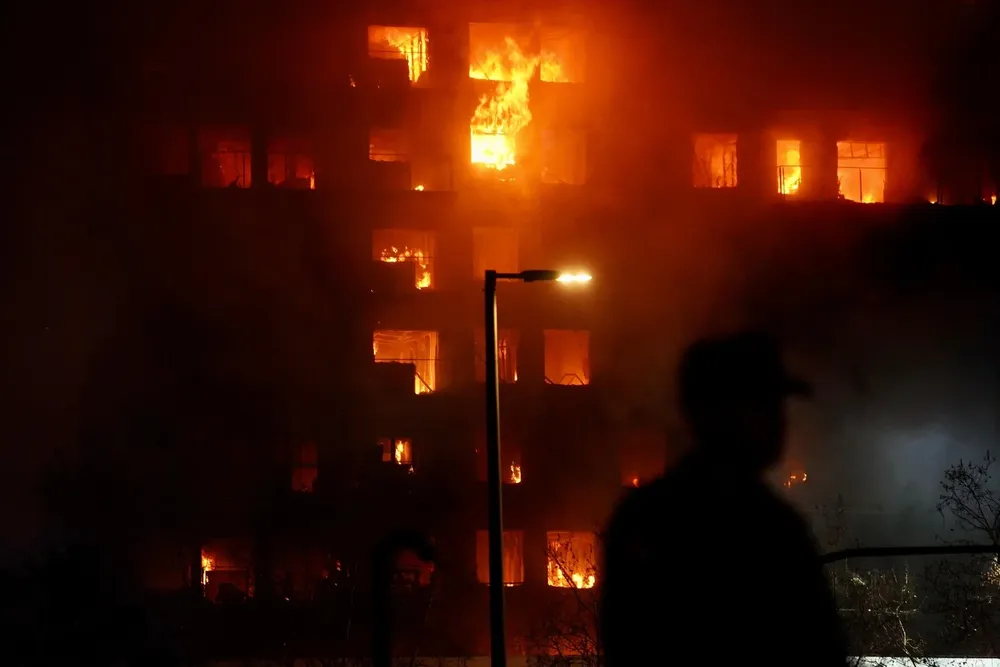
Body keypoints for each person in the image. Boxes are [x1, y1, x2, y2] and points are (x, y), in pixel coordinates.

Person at [600, 332, 847, 666]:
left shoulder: (641, 516)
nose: (781, 421)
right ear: (724, 412)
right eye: (766, 404)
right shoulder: (771, 528)